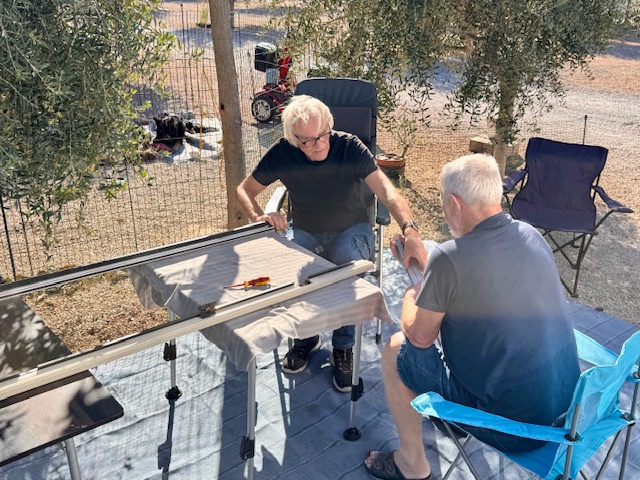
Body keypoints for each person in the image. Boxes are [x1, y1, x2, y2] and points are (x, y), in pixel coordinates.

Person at [364, 153, 580, 480]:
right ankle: (451, 419)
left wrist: (414, 293)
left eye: (442, 201)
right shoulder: (530, 234)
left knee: (397, 350)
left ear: (454, 203)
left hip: (515, 430)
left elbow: (419, 337)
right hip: (568, 416)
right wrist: (433, 279)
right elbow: (486, 284)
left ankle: (412, 465)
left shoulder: (449, 259)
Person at [236, 94, 428, 393]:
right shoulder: (283, 152)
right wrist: (259, 216)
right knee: (295, 268)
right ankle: (305, 338)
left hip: (352, 229)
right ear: (294, 139)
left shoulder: (350, 147)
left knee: (346, 264)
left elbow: (387, 191)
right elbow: (244, 190)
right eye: (308, 140)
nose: (320, 144)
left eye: (323, 134)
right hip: (306, 231)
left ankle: (343, 347)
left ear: (330, 126)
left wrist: (410, 230)